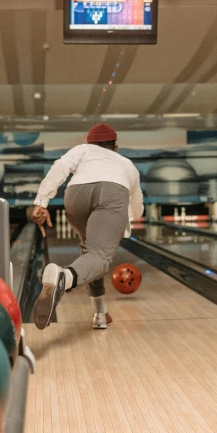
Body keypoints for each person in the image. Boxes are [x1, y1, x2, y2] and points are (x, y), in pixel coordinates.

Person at [31, 123, 144, 330]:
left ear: (90, 143)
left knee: (90, 253)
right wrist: (126, 218)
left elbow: (60, 167)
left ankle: (100, 313)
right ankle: (64, 278)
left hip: (76, 194)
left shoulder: (82, 150)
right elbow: (137, 207)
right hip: (112, 193)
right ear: (115, 147)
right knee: (100, 255)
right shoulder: (127, 164)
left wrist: (41, 202)